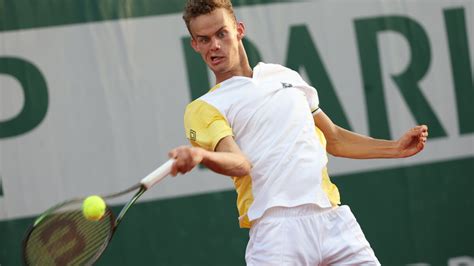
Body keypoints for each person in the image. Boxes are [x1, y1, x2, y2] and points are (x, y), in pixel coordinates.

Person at [169, 0, 429, 265]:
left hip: (333, 219)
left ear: (238, 29)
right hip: (275, 233)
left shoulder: (285, 75)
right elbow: (239, 164)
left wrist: (394, 148)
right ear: (195, 45)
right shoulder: (204, 108)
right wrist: (202, 157)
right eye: (204, 39)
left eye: (221, 33)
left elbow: (334, 138)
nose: (214, 45)